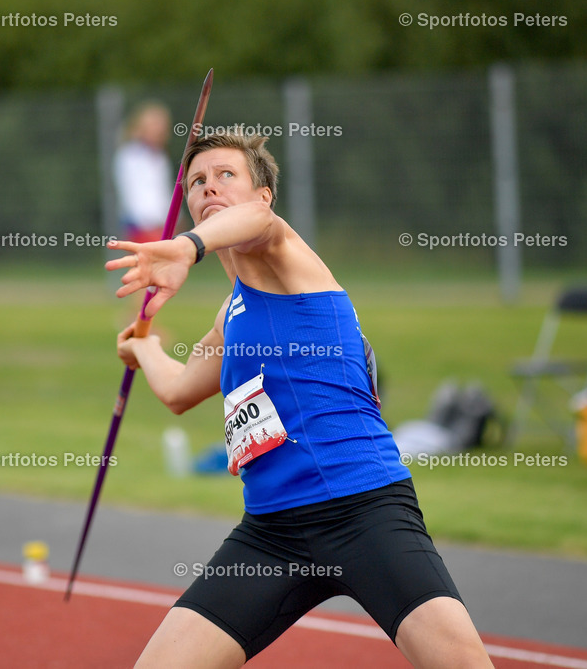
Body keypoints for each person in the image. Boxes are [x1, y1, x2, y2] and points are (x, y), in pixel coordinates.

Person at [106, 132, 492, 667]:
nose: (209, 187)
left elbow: (255, 227)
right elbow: (178, 391)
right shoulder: (231, 315)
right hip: (271, 535)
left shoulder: (284, 251)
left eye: (226, 176)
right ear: (188, 202)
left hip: (365, 510)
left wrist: (187, 248)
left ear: (262, 195)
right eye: (197, 181)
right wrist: (143, 349)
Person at [114, 102, 173, 243]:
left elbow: (163, 191)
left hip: (161, 225)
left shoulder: (160, 157)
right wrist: (148, 227)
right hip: (142, 226)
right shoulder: (130, 156)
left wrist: (173, 219)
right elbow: (133, 195)